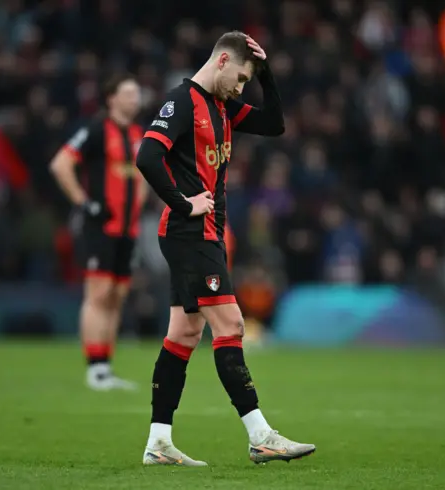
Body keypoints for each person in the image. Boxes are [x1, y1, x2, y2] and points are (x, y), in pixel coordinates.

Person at [136, 31, 315, 466]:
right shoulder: (182, 103)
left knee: (184, 333)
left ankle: (158, 443)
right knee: (231, 324)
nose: (240, 88)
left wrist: (265, 71)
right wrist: (184, 202)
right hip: (190, 231)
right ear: (220, 62)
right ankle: (260, 435)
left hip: (203, 232)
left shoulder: (221, 107)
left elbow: (275, 124)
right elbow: (146, 156)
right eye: (239, 78)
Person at [50, 75, 147, 391]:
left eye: (137, 93)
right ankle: (95, 368)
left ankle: (106, 366)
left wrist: (138, 205)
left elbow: (146, 175)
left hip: (128, 229)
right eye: (128, 93)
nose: (135, 98)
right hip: (100, 228)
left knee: (117, 297)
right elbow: (61, 164)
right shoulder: (95, 129)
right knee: (98, 294)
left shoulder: (138, 134)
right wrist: (84, 203)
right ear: (111, 98)